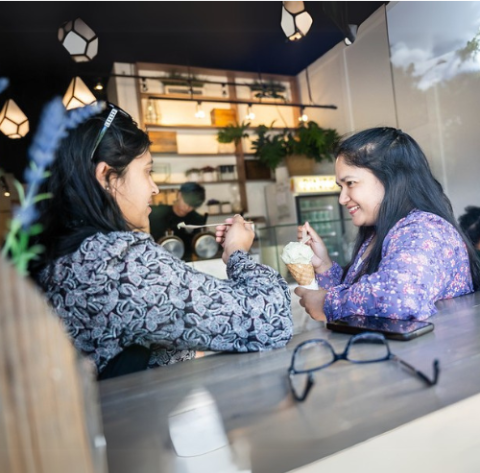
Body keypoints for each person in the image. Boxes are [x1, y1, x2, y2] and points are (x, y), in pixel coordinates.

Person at [29, 104, 293, 379]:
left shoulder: (61, 256)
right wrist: (237, 253)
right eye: (146, 171)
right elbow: (270, 321)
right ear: (107, 177)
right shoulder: (119, 263)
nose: (154, 188)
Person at [295, 127, 480, 322]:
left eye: (350, 183)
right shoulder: (378, 233)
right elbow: (361, 307)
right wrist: (324, 265)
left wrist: (326, 302)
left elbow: (400, 297)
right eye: (341, 187)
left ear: (390, 179)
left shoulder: (425, 229)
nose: (342, 198)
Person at [149, 182, 206, 261]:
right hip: (158, 261)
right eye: (186, 202)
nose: (188, 208)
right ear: (179, 195)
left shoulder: (197, 220)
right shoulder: (157, 214)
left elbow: (198, 248)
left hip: (185, 263)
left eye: (192, 205)